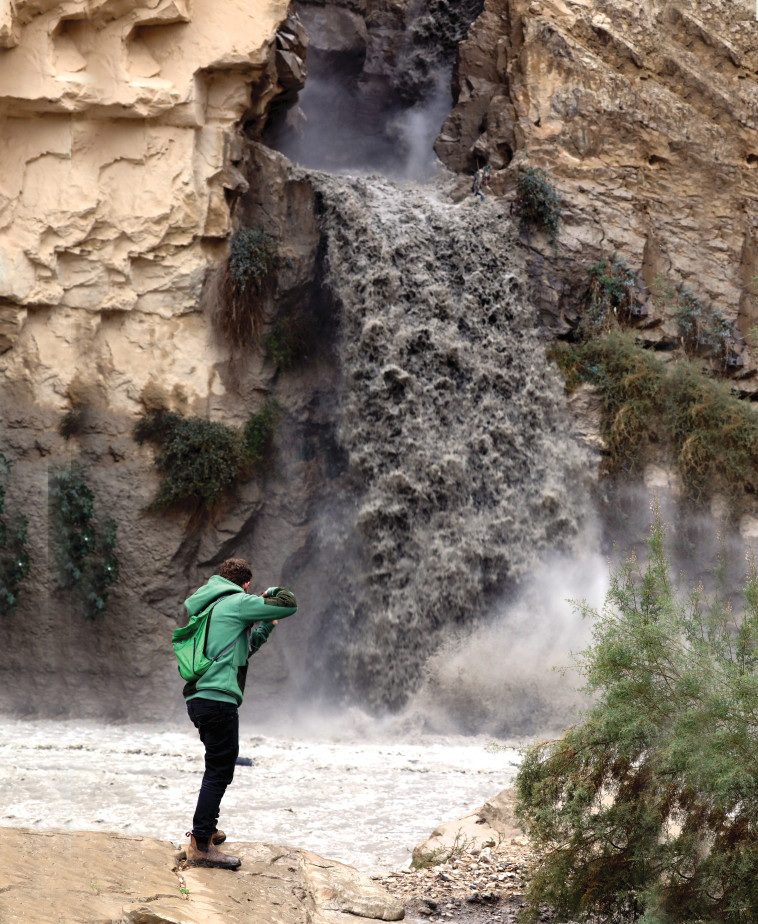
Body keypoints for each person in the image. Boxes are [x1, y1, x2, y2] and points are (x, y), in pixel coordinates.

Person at [182, 557, 298, 869]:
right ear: (245, 584)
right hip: (218, 700)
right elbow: (288, 603)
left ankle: (207, 829)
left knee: (217, 765)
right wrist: (269, 594)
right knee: (220, 769)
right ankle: (201, 843)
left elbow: (242, 651)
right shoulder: (238, 602)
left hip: (199, 698)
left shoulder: (210, 606)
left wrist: (266, 627)